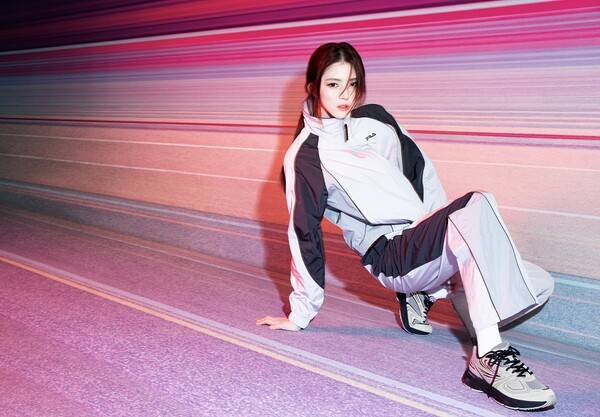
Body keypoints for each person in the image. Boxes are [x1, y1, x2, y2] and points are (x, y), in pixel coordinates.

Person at [256, 42, 556, 411]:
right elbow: (304, 234)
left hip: (422, 240)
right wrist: (300, 313)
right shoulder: (306, 155)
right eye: (333, 85)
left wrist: (441, 234)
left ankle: (440, 294)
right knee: (478, 204)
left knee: (539, 284)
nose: (345, 95)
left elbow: (420, 171)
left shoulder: (377, 119)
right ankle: (487, 356)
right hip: (391, 257)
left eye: (353, 84)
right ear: (313, 86)